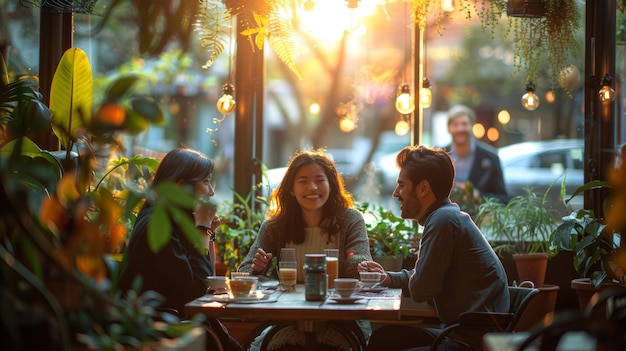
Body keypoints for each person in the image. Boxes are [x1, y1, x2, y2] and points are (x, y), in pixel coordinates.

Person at [358, 145, 509, 351]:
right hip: (459, 333)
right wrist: (389, 278)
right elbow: (425, 275)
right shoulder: (446, 216)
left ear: (423, 188)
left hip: (469, 343)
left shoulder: (443, 221)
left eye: (401, 185)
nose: (395, 193)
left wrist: (405, 279)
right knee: (385, 338)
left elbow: (421, 289)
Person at [239, 149, 372, 351]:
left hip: (341, 321)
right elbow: (244, 271)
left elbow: (361, 265)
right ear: (291, 189)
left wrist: (357, 264)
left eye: (320, 180)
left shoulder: (350, 220)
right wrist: (258, 269)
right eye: (303, 181)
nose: (312, 187)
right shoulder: (275, 227)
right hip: (287, 321)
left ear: (331, 185)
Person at [117, 147, 243, 351]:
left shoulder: (174, 220)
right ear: (181, 187)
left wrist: (207, 234)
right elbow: (195, 294)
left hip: (185, 326)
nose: (211, 192)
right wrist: (202, 229)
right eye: (206, 182)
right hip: (162, 333)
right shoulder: (156, 225)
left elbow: (205, 280)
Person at [443, 105, 508, 203]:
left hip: (478, 216)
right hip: (445, 217)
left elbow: (503, 199)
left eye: (464, 124)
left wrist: (479, 195)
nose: (460, 129)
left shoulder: (491, 157)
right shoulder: (439, 156)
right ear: (449, 128)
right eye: (455, 124)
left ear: (471, 126)